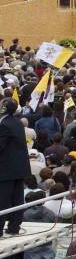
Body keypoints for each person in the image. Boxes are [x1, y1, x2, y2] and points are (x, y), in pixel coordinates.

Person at [0, 99, 31, 235]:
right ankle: (14, 227)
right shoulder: (17, 122)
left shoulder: (4, 124)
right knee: (17, 199)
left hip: (7, 169)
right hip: (19, 168)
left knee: (3, 200)